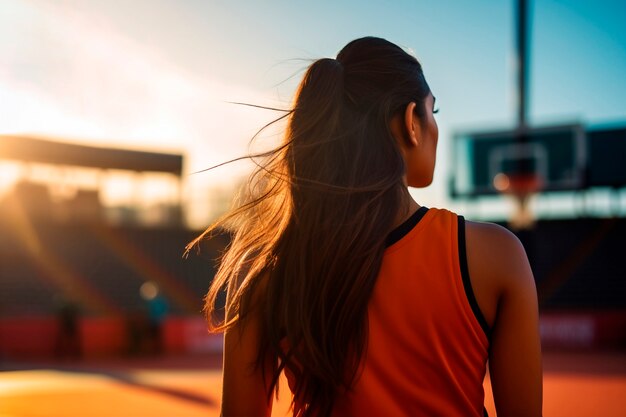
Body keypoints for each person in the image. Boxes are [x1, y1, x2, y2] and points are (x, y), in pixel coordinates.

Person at [192, 36, 542, 417]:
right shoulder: (497, 255)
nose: (435, 126)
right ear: (411, 122)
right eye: (433, 110)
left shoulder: (261, 272)